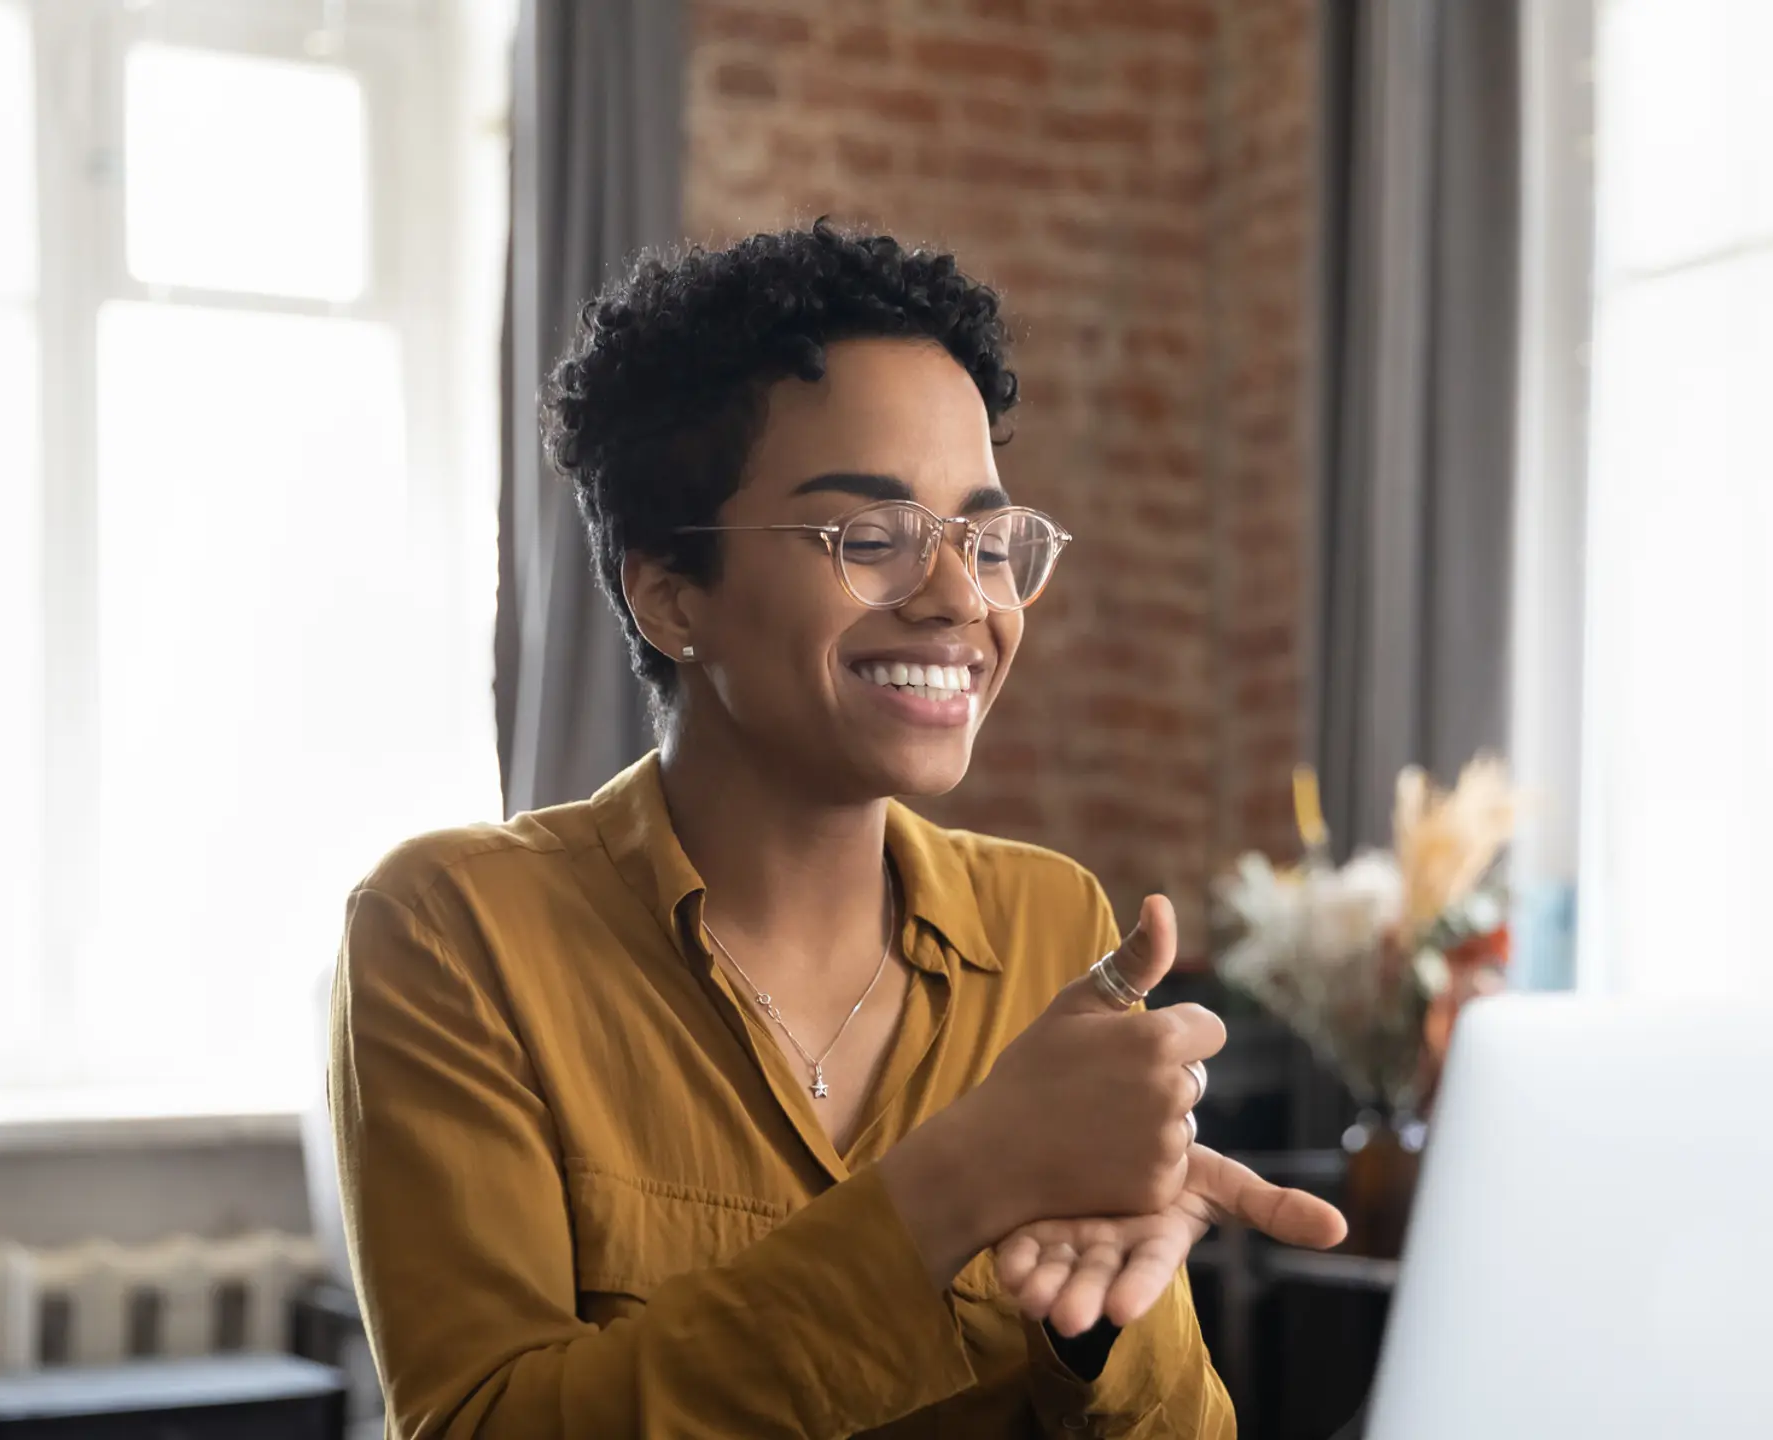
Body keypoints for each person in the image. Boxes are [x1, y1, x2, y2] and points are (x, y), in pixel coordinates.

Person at [330, 223, 1348, 1439]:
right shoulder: (456, 930)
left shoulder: (1052, 928)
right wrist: (955, 1185)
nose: (960, 598)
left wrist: (1103, 1331)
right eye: (870, 539)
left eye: (986, 539)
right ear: (669, 593)